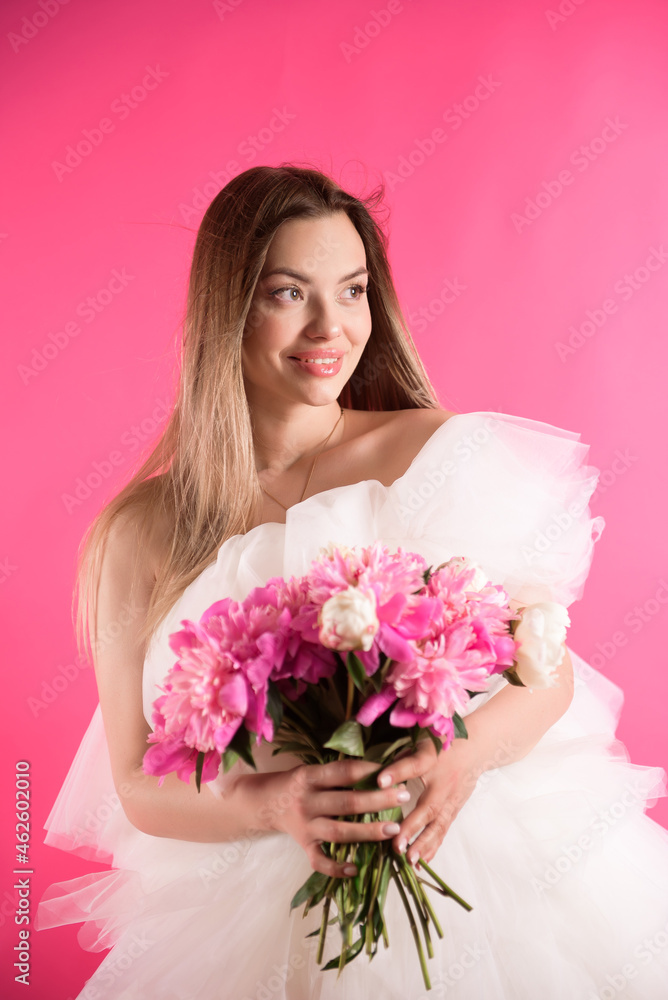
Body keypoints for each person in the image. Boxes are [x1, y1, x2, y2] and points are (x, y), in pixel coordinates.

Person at [37, 164, 668, 999]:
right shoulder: (141, 532)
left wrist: (459, 761)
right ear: (227, 308)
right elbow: (138, 781)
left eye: (354, 289)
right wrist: (275, 803)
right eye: (288, 293)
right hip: (253, 901)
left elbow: (543, 675)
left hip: (482, 863)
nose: (331, 327)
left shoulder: (440, 454)